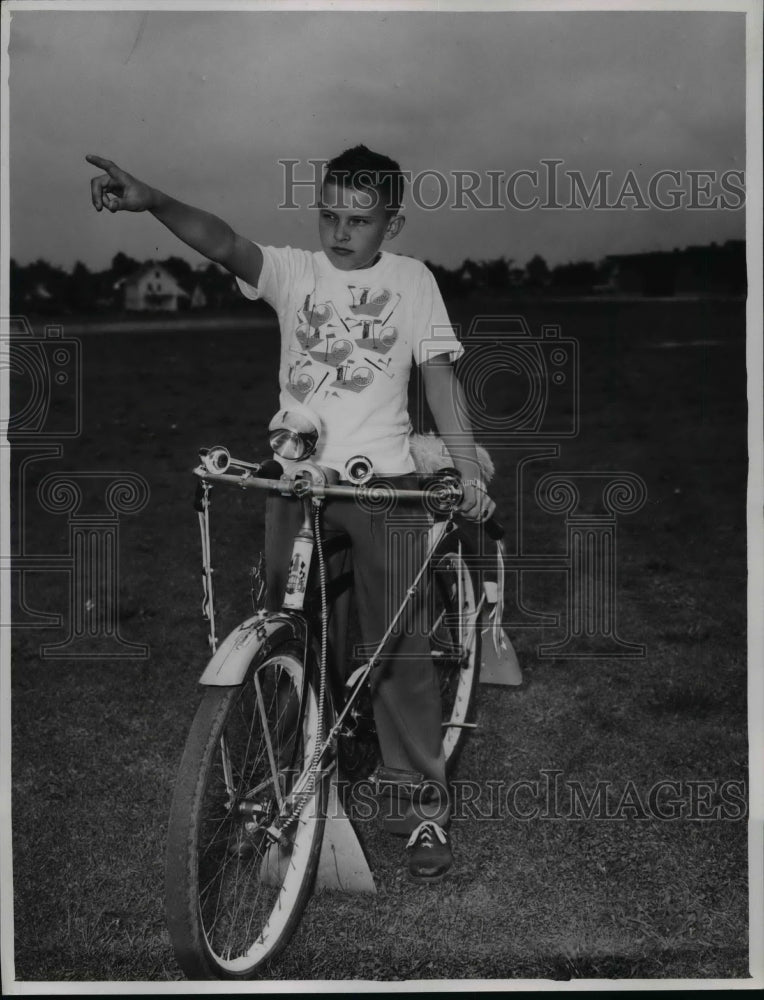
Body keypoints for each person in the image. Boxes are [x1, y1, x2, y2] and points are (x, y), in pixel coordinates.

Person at [86, 145, 495, 882]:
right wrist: (153, 201)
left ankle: (420, 810)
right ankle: (284, 778)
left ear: (392, 222)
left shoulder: (411, 282)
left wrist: (465, 468)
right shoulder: (296, 274)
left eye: (360, 220)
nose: (341, 232)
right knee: (284, 634)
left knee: (398, 649)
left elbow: (438, 380)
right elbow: (223, 242)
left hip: (387, 487)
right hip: (299, 485)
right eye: (330, 214)